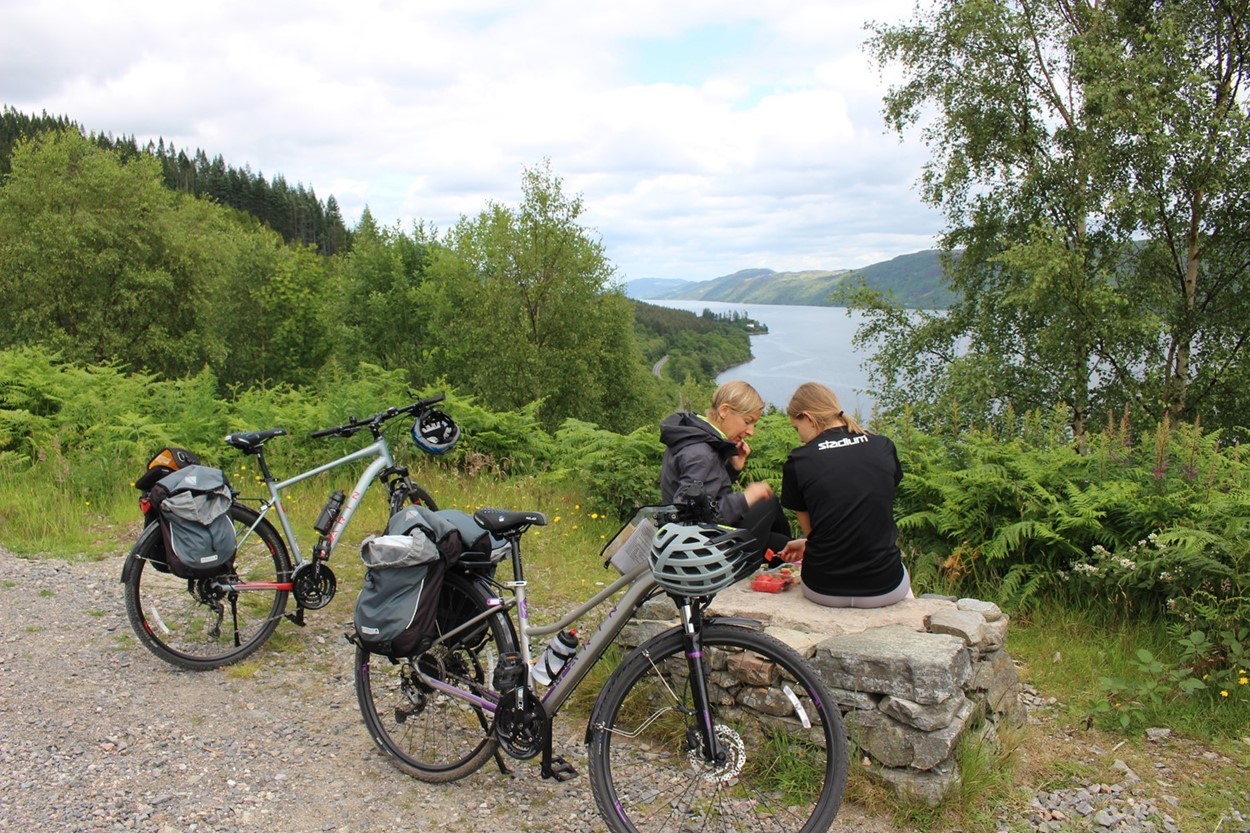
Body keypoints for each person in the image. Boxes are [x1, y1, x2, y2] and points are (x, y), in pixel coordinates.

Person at [776, 382, 912, 608]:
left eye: (796, 427)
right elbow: (873, 508)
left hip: (822, 588)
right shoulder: (883, 446)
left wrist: (807, 543)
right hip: (886, 588)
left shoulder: (799, 461)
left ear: (808, 417)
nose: (799, 437)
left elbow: (814, 533)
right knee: (900, 570)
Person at [659, 380, 791, 561]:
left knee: (780, 544)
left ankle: (787, 562)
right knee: (767, 501)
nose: (751, 431)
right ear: (724, 411)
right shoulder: (702, 453)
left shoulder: (693, 435)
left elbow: (704, 491)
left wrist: (733, 468)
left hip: (701, 538)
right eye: (747, 421)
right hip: (699, 547)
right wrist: (746, 498)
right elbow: (689, 515)